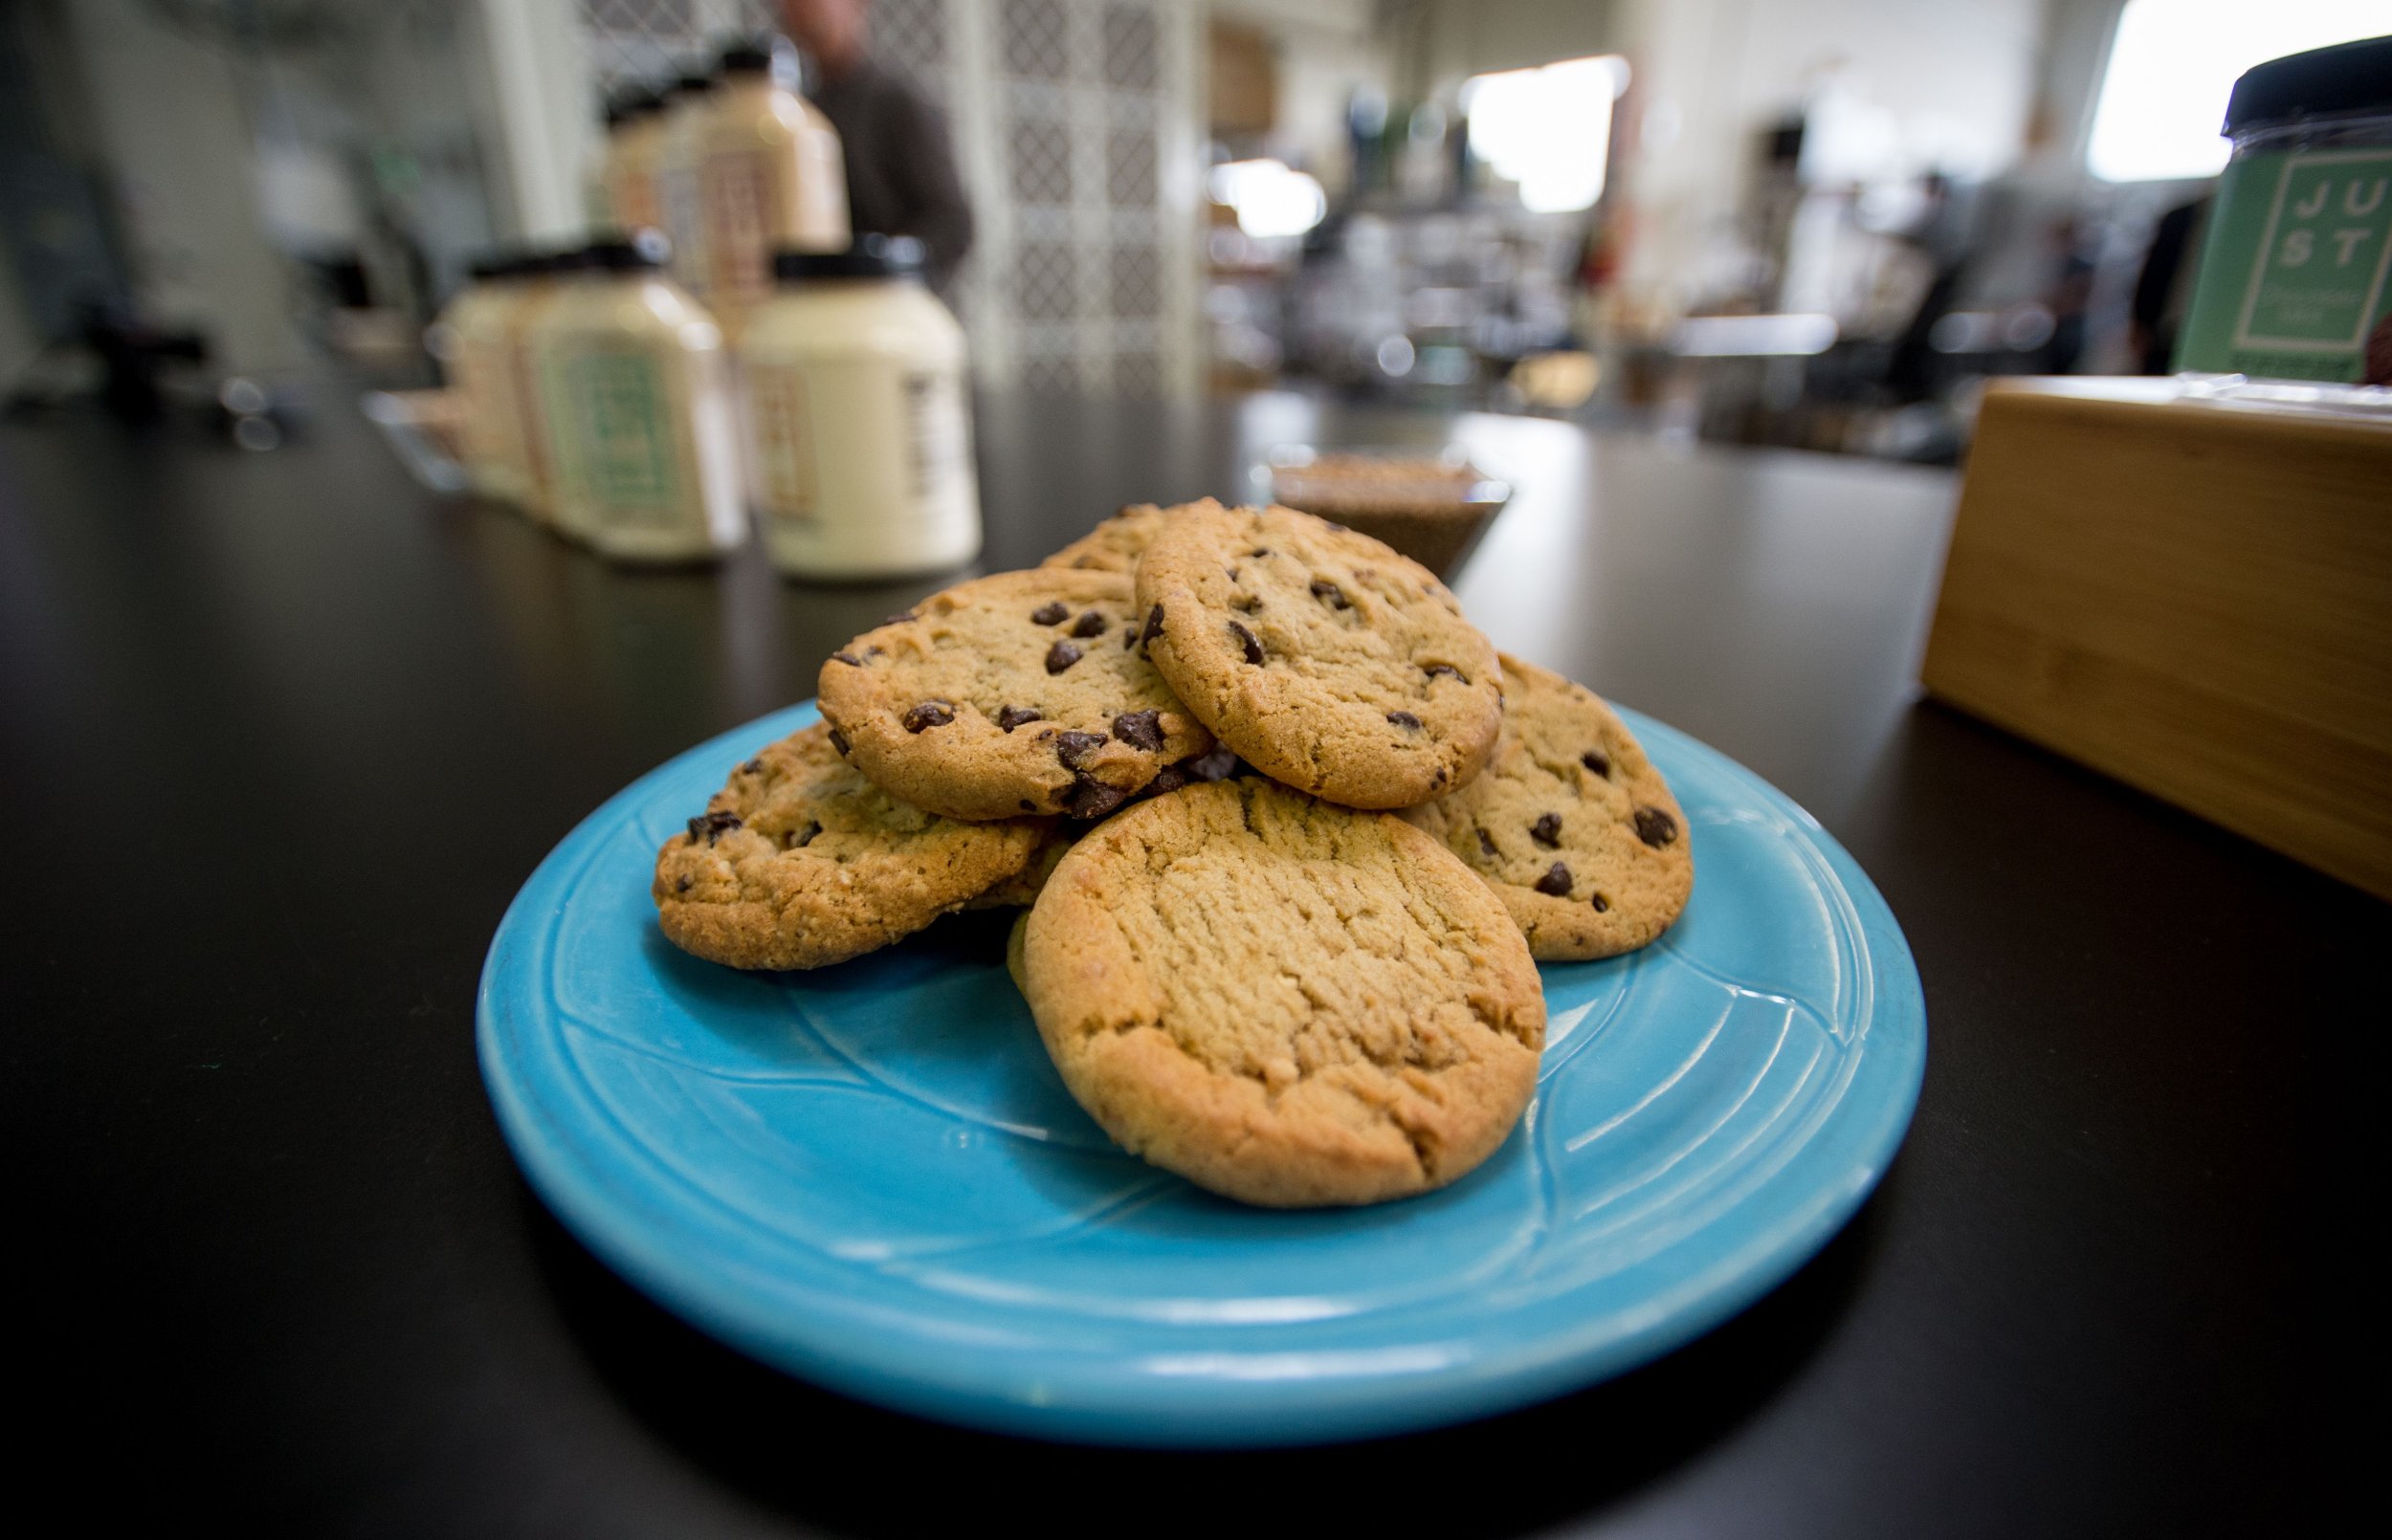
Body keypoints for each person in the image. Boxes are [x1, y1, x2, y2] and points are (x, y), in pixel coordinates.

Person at [778, 0, 973, 290]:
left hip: (890, 313)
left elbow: (951, 222)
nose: (807, 11)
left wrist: (886, 269)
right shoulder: (799, 113)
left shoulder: (896, 101)